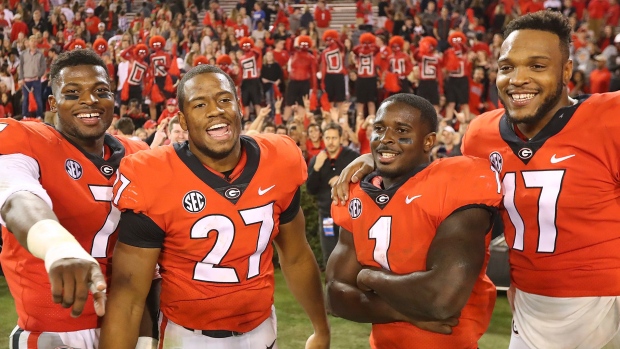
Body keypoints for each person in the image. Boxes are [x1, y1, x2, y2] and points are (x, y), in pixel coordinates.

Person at [332, 11, 620, 349]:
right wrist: (378, 159)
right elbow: (434, 179)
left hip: (607, 298)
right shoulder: (482, 134)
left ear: (566, 71)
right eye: (507, 66)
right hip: (529, 298)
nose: (518, 78)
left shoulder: (608, 118)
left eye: (537, 66)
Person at [99, 64, 331, 349]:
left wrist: (321, 328)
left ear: (238, 107)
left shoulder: (278, 159)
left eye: (224, 99)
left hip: (262, 329)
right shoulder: (154, 176)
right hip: (187, 338)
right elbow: (129, 295)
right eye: (200, 104)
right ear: (183, 122)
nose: (215, 110)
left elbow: (296, 256)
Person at [0, 49, 154, 348]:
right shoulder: (26, 139)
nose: (90, 100)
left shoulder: (140, 156)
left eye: (101, 91)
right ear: (54, 103)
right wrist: (58, 245)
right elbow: (16, 196)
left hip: (125, 326)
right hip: (52, 333)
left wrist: (146, 338)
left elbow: (152, 261)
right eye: (73, 92)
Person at [325, 93, 502, 349]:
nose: (385, 138)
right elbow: (335, 297)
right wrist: (405, 313)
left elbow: (441, 299)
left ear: (429, 141)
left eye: (401, 130)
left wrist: (370, 278)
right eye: (379, 129)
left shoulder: (455, 183)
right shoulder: (357, 195)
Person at [306, 123, 359, 266]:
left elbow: (364, 183)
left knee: (352, 254)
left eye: (334, 138)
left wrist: (343, 179)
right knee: (329, 253)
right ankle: (331, 285)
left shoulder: (353, 157)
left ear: (341, 138)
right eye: (327, 138)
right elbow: (311, 189)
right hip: (326, 215)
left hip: (349, 215)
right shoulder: (317, 159)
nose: (330, 141)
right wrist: (316, 168)